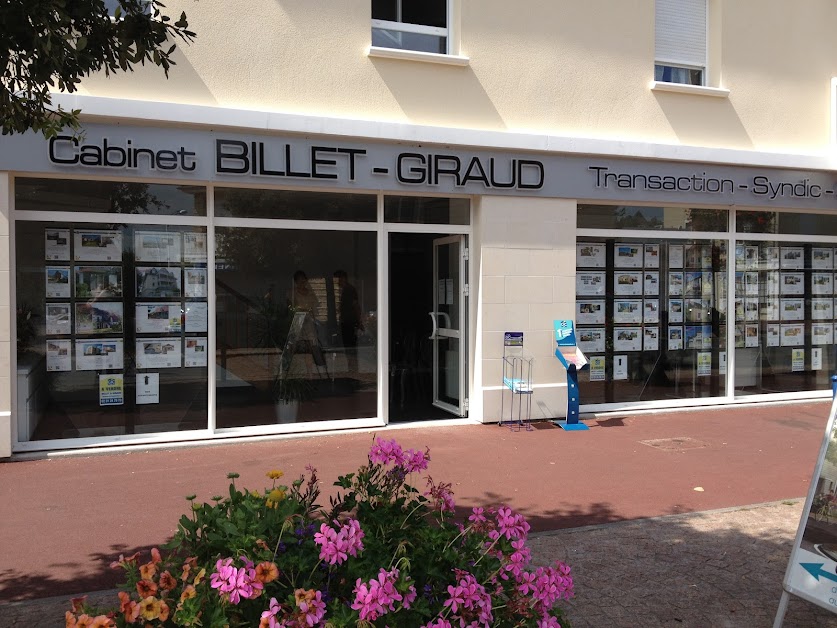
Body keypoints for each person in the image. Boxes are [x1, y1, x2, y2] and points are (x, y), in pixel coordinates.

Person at [334, 270, 363, 374]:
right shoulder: (345, 291)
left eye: (338, 279)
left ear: (343, 278)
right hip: (346, 322)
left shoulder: (349, 290)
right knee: (348, 347)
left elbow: (356, 306)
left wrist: (359, 321)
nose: (337, 282)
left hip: (349, 323)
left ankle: (353, 370)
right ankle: (351, 369)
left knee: (350, 347)